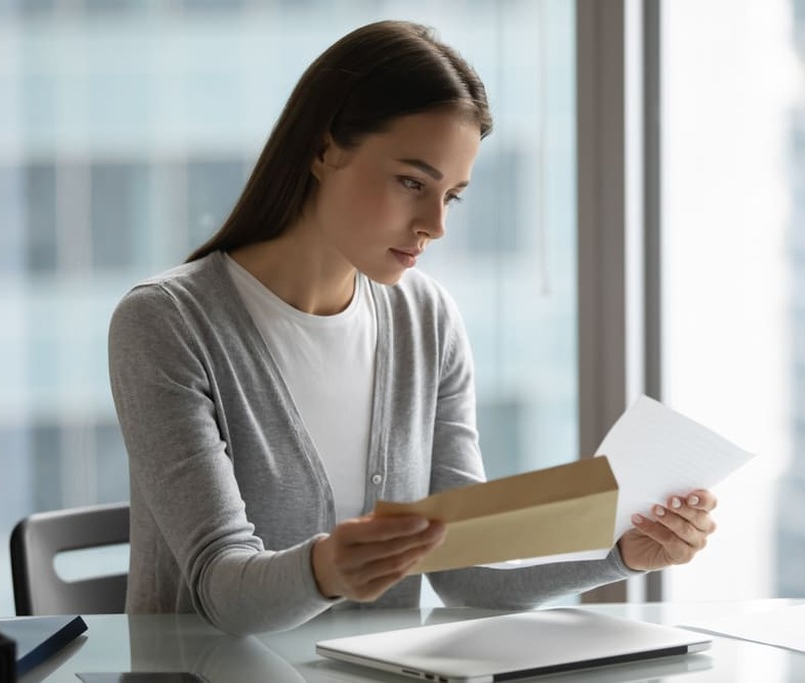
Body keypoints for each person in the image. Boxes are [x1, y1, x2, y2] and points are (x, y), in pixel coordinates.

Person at [108, 19, 718, 636]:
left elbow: (465, 574)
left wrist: (620, 553)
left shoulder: (426, 319)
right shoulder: (166, 323)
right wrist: (328, 570)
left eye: (451, 196)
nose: (434, 224)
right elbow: (222, 588)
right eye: (411, 182)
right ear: (325, 150)